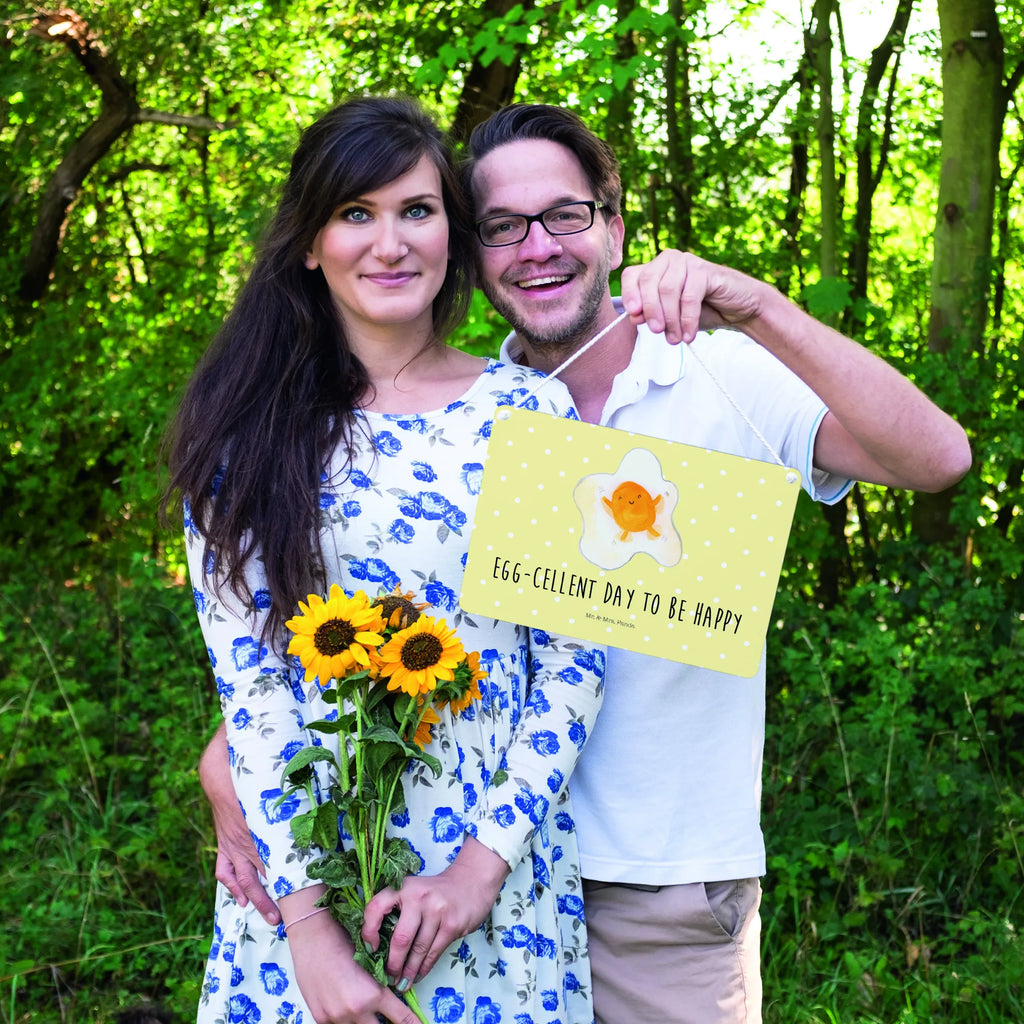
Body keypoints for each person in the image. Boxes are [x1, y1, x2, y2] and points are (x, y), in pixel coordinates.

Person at [201, 102, 972, 1024]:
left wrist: (760, 306)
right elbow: (336, 632)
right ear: (474, 251)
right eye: (502, 227)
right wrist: (235, 769)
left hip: (653, 887)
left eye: (564, 215)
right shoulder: (457, 415)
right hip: (428, 876)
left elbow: (938, 461)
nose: (536, 247)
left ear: (612, 226)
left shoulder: (710, 372)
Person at [165, 96, 609, 1024]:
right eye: (355, 214)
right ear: (308, 243)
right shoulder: (243, 438)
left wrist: (477, 872)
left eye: (417, 210)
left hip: (492, 887)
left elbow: (573, 665)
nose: (390, 242)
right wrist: (312, 937)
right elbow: (253, 693)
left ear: (452, 229)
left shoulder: (532, 414)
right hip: (303, 887)